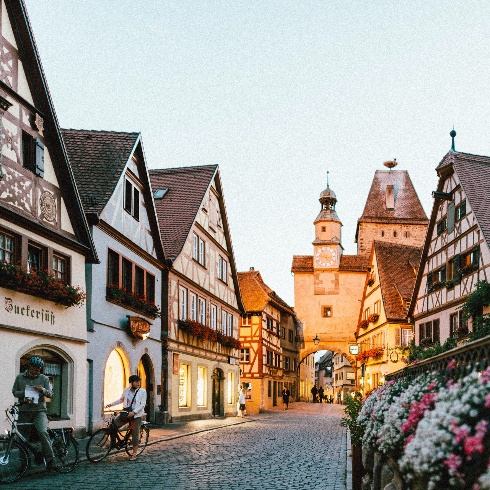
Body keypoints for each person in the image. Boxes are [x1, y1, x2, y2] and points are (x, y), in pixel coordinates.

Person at [12, 357, 57, 469]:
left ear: (40, 370)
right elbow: (14, 392)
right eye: (32, 369)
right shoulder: (20, 377)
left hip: (39, 411)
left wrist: (42, 390)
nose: (34, 372)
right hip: (24, 411)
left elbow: (50, 394)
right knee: (23, 438)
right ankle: (24, 464)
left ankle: (51, 461)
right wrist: (22, 392)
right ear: (29, 367)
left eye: (36, 370)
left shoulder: (44, 379)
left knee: (43, 432)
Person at [106, 374, 147, 460]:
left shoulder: (142, 391)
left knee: (135, 433)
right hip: (126, 412)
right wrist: (111, 404)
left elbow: (142, 404)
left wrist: (134, 412)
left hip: (136, 415)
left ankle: (134, 454)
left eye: (139, 382)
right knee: (113, 426)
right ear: (131, 383)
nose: (138, 383)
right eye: (136, 382)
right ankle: (113, 444)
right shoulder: (126, 390)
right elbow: (121, 399)